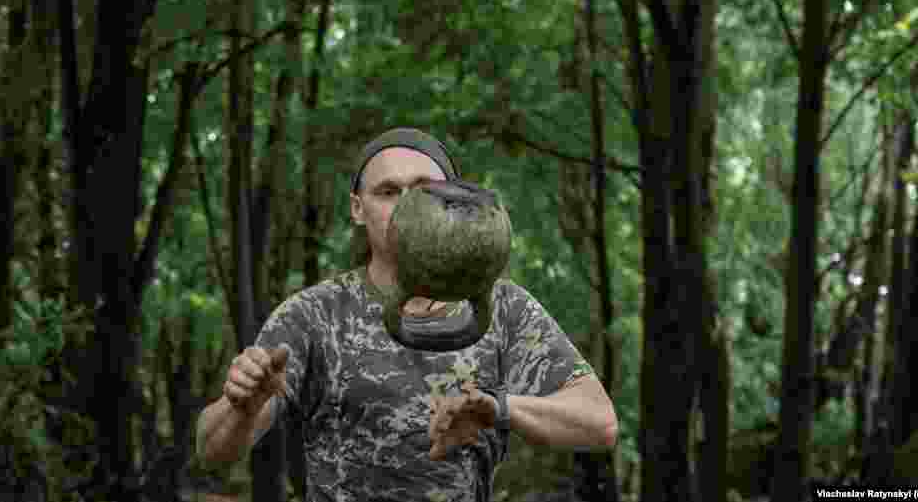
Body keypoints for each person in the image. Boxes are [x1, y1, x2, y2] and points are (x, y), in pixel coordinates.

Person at [196, 128, 618, 501]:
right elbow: (211, 452)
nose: (404, 207)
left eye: (422, 190)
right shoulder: (315, 314)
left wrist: (501, 409)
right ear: (358, 209)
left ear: (453, 201)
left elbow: (599, 424)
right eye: (387, 191)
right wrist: (242, 407)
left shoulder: (502, 307)